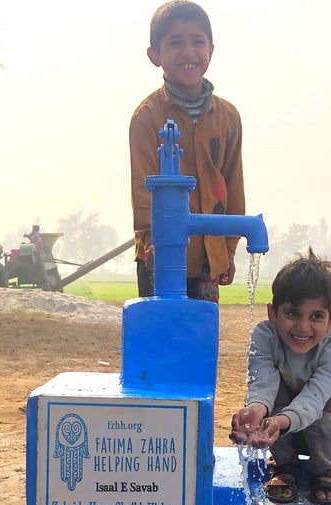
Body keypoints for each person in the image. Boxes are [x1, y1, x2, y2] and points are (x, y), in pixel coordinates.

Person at [129, 0, 244, 302]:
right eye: (175, 43)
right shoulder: (147, 117)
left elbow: (233, 184)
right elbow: (143, 192)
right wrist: (153, 242)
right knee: (160, 340)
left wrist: (229, 248)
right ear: (155, 55)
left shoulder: (228, 118)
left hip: (210, 256)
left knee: (201, 337)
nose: (189, 53)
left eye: (197, 42)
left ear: (211, 50)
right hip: (161, 256)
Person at [229, 250, 331, 505]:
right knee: (274, 395)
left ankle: (323, 470)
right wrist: (256, 410)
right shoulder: (265, 336)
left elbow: (315, 397)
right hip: (280, 429)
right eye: (293, 313)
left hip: (327, 425)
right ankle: (285, 467)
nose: (303, 327)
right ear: (272, 313)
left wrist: (280, 421)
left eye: (316, 316)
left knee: (330, 400)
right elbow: (262, 382)